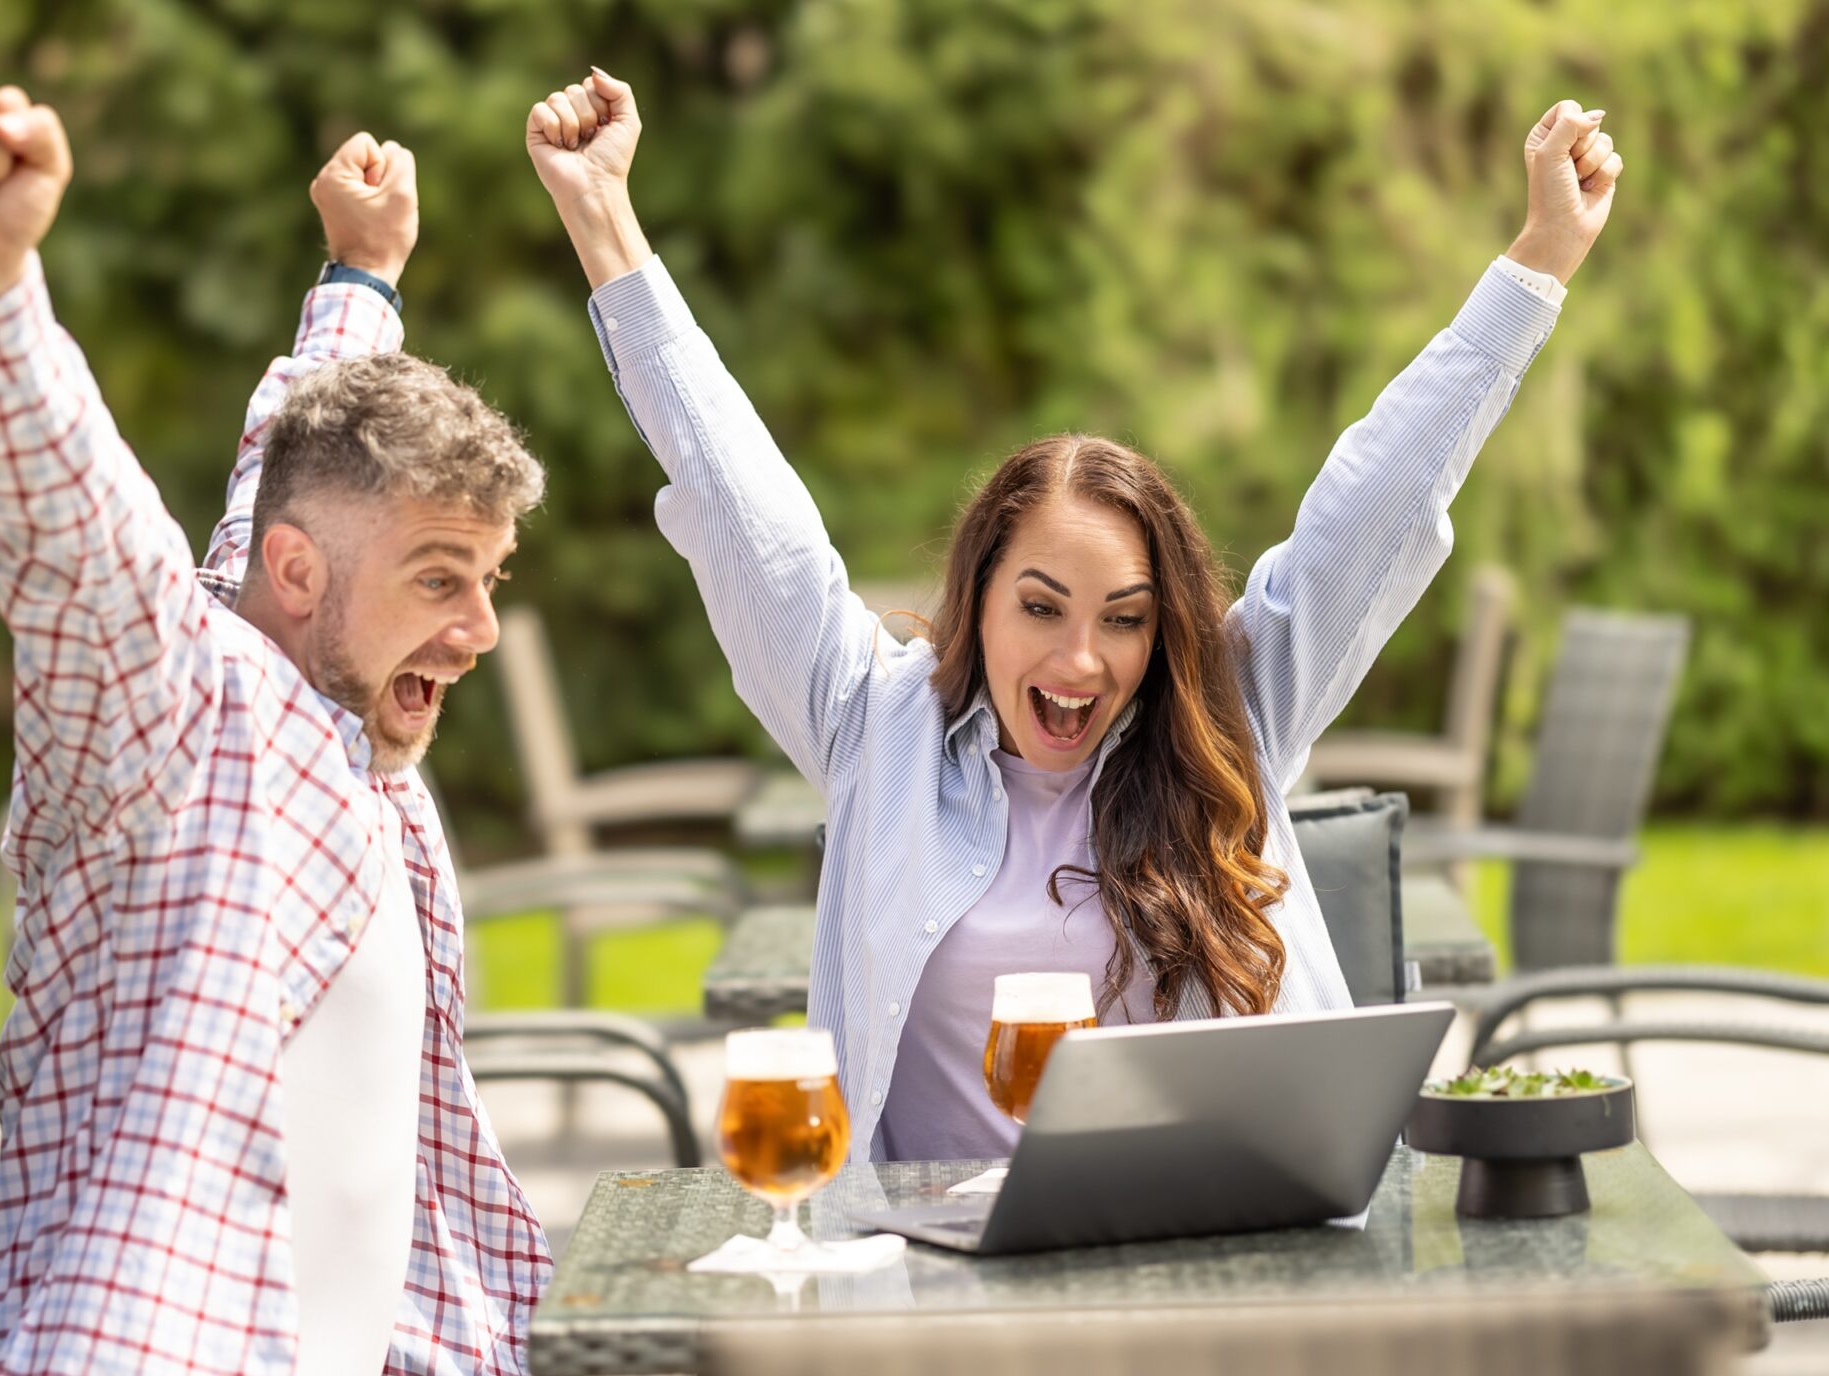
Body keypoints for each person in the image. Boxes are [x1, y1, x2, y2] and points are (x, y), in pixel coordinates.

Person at [525, 69, 1624, 1164]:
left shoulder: (1227, 713)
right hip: (934, 1276)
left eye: (1126, 619)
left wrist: (1535, 263)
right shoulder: (872, 724)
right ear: (978, 600)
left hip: (1207, 1250)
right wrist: (603, 217)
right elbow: (735, 499)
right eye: (1039, 607)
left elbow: (1376, 503)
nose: (1079, 659)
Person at [0, 87, 563, 1376]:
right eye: (444, 579)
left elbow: (287, 454)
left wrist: (358, 275)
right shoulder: (182, 720)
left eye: (489, 579)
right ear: (301, 577)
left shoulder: (327, 689)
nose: (479, 630)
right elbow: (80, 533)